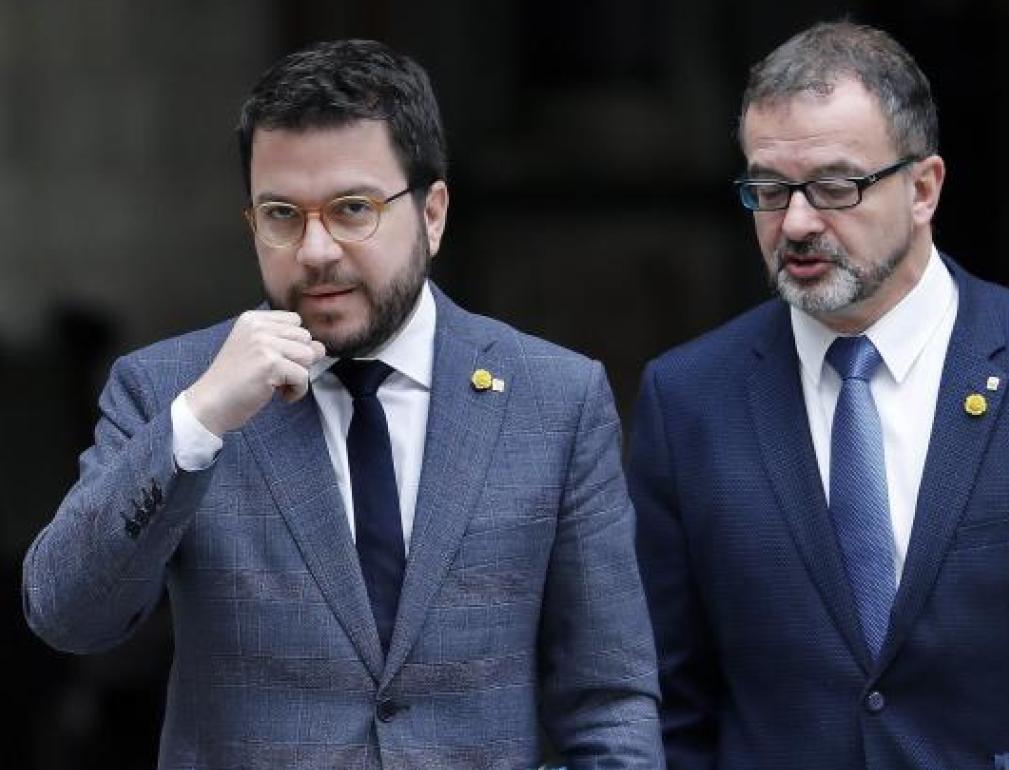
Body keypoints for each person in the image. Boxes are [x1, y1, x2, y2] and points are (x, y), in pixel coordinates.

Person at [23, 39, 663, 769]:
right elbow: (67, 617)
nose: (316, 250)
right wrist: (197, 422)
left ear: (432, 214)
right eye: (282, 215)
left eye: (352, 209)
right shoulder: (169, 389)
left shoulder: (555, 399)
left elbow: (609, 700)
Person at [627, 20, 1009, 770]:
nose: (797, 223)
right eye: (769, 190)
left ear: (923, 188)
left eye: (834, 187)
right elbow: (664, 708)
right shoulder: (689, 400)